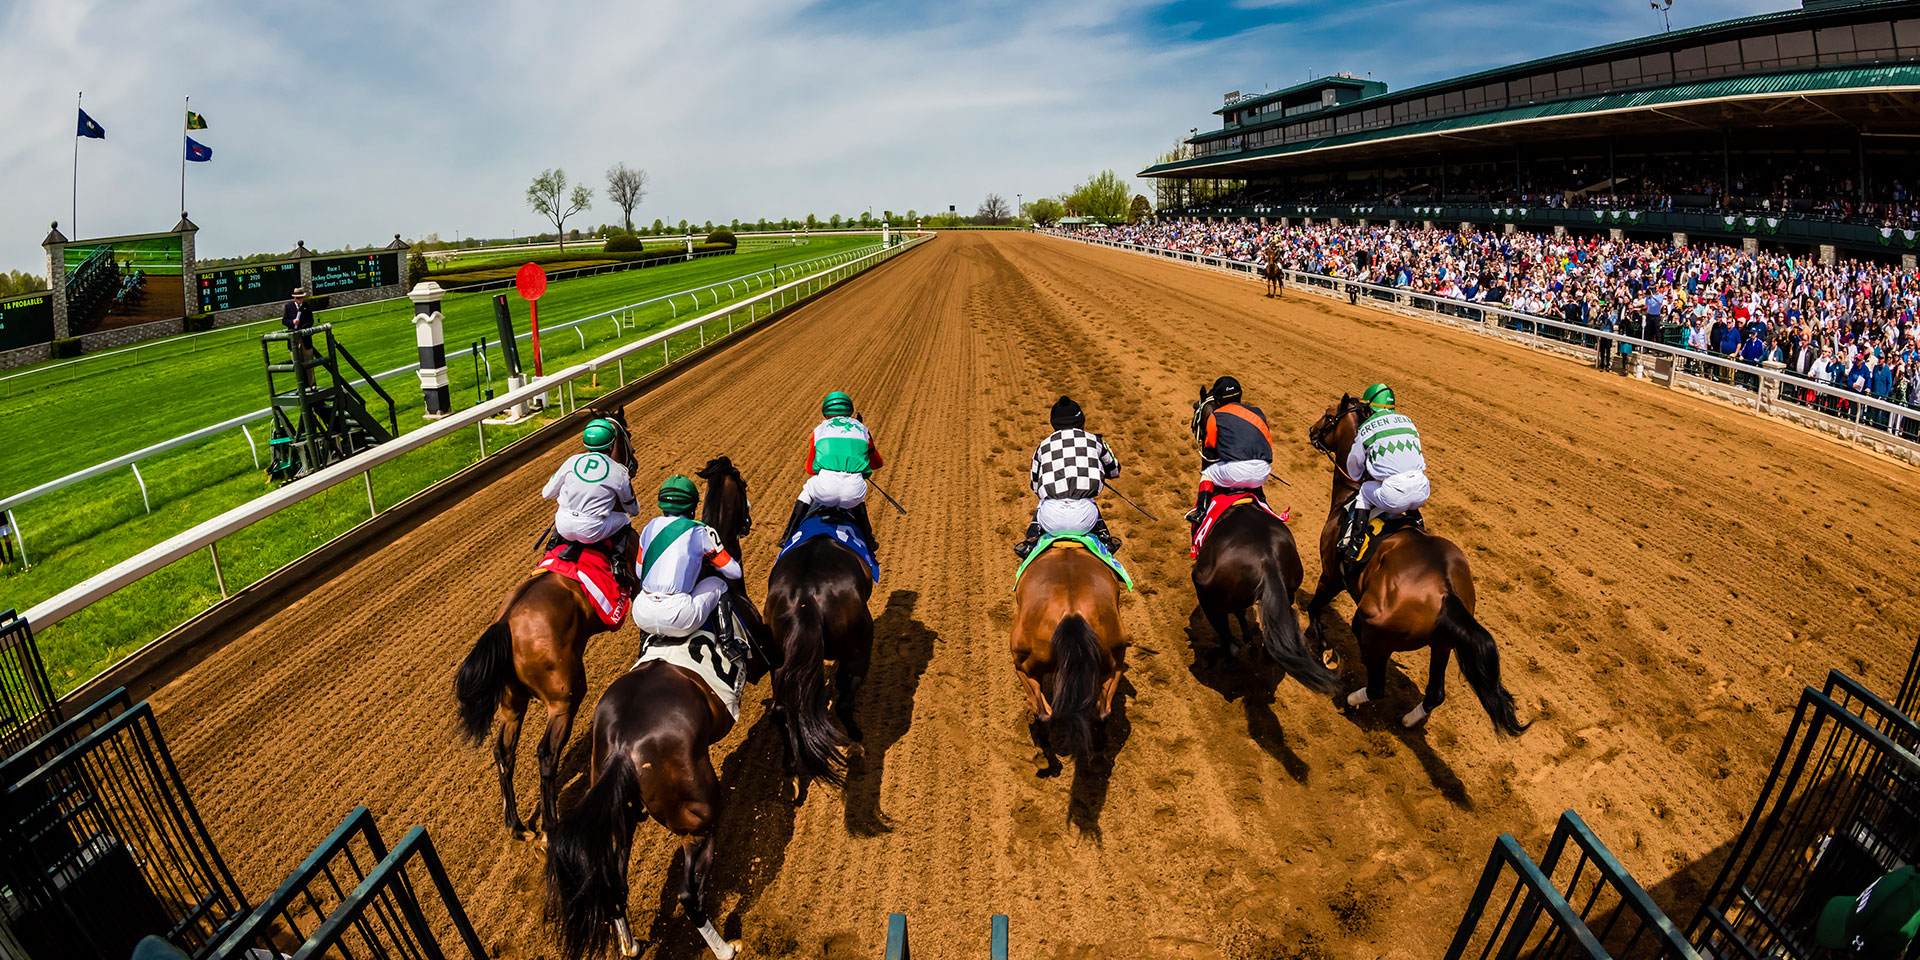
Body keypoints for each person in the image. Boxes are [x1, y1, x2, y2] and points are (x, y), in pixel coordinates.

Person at [630, 476, 746, 639]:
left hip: (642, 613)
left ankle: (644, 644)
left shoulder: (649, 527)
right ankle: (729, 644)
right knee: (719, 584)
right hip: (679, 616)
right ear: (691, 506)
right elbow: (734, 572)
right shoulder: (699, 531)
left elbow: (639, 572)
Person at [779, 390, 883, 558]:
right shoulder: (863, 429)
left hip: (824, 491)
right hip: (853, 494)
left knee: (807, 490)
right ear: (850, 411)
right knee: (856, 496)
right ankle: (869, 539)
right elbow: (877, 464)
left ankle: (786, 537)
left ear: (825, 413)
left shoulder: (820, 429)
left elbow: (810, 469)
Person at [541, 418, 640, 595]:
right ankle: (619, 563)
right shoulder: (619, 471)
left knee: (562, 511)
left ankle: (551, 546)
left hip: (563, 526)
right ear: (611, 445)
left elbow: (546, 494)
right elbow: (633, 510)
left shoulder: (571, 461)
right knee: (624, 519)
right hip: (593, 531)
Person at [1015, 396, 1121, 558]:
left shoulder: (1042, 446)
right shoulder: (1096, 441)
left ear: (1054, 423)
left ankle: (1030, 542)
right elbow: (1114, 471)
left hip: (1051, 518)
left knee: (1044, 499)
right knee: (1088, 500)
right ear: (1081, 421)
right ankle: (1105, 539)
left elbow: (1035, 487)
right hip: (1085, 518)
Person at [1336, 383, 1431, 563]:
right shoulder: (1407, 421)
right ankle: (1417, 522)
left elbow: (1354, 464)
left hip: (1394, 497)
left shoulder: (1367, 427)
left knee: (1364, 491)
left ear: (1370, 408)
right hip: (1422, 490)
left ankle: (1355, 543)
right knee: (1407, 483)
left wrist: (1357, 476)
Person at [1184, 375, 1274, 525]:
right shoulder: (1258, 412)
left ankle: (1201, 511)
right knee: (1254, 481)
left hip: (1234, 472)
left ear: (1217, 401)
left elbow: (1210, 449)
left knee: (1207, 474)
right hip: (1263, 471)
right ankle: (1264, 504)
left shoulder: (1215, 416)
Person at [282, 287, 316, 390]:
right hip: (293, 339)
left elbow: (310, 321)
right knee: (297, 365)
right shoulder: (288, 307)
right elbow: (284, 321)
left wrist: (302, 329)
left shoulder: (307, 306)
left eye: (301, 298)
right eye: (297, 298)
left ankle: (312, 385)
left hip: (304, 338)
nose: (299, 300)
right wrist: (292, 322)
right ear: (294, 298)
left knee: (309, 363)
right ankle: (301, 386)